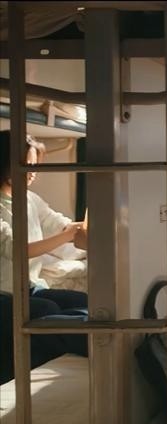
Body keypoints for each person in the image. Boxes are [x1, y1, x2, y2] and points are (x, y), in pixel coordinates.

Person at [0, 130, 88, 384]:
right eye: (26, 165)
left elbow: (59, 225)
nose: (32, 173)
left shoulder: (30, 199)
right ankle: (23, 377)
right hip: (4, 293)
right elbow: (17, 250)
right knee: (47, 311)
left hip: (28, 287)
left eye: (34, 165)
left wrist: (85, 229)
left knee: (86, 301)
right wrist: (68, 234)